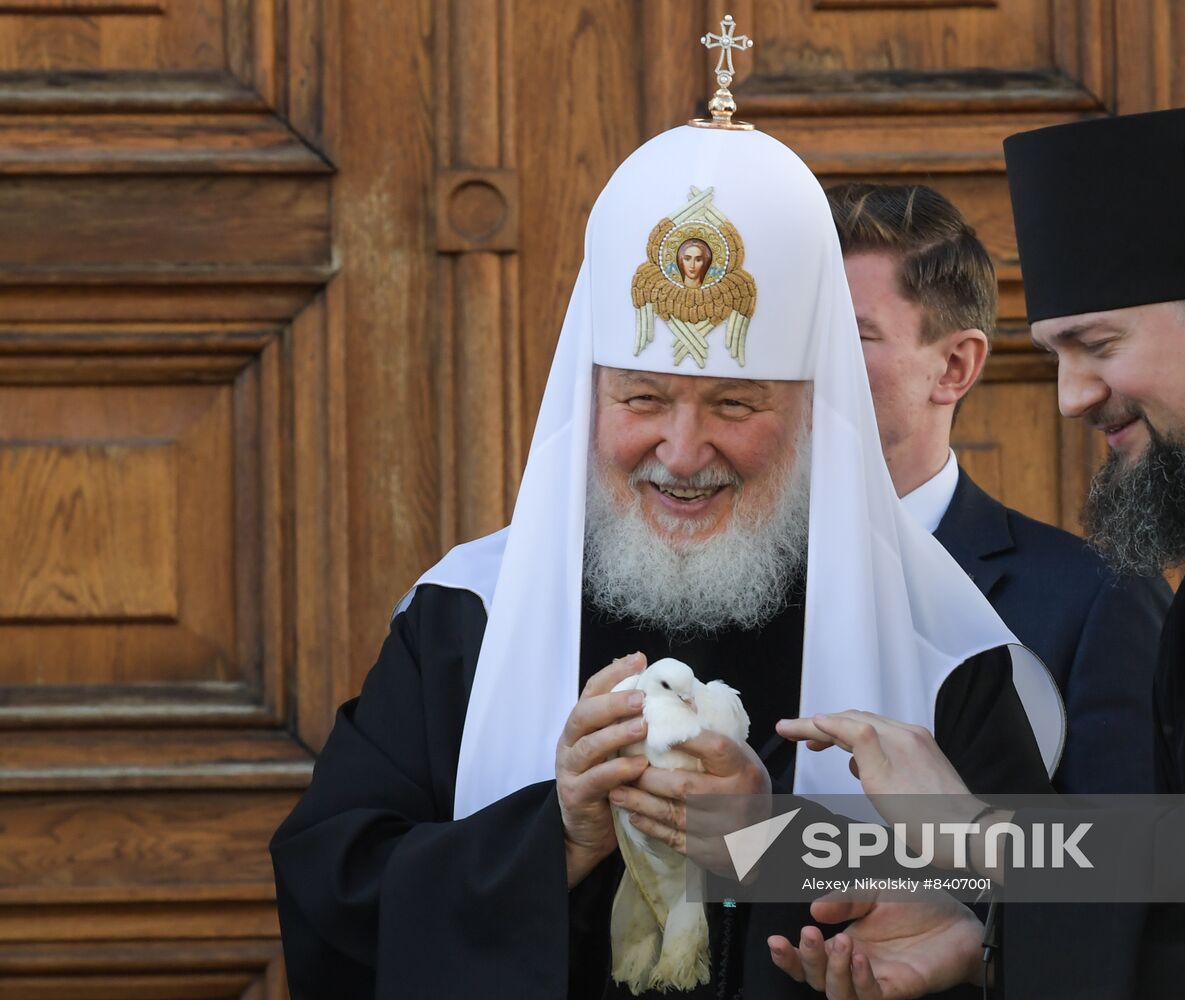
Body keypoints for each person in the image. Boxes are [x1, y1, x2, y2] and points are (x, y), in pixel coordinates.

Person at [268, 114, 1066, 998]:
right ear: (592, 394)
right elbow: (330, 892)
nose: (681, 453)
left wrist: (770, 842)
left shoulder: (945, 653)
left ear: (812, 413)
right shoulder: (469, 615)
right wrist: (556, 837)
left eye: (734, 406)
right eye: (643, 398)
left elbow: (1051, 934)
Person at [771, 99, 1185, 999]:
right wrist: (983, 941)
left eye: (1096, 345)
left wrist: (977, 836)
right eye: (1055, 353)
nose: (1070, 396)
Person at [827, 182, 1172, 793]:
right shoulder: (720, 581)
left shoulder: (1095, 602)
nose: (807, 364)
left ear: (954, 367)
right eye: (800, 336)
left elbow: (1131, 869)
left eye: (848, 335)